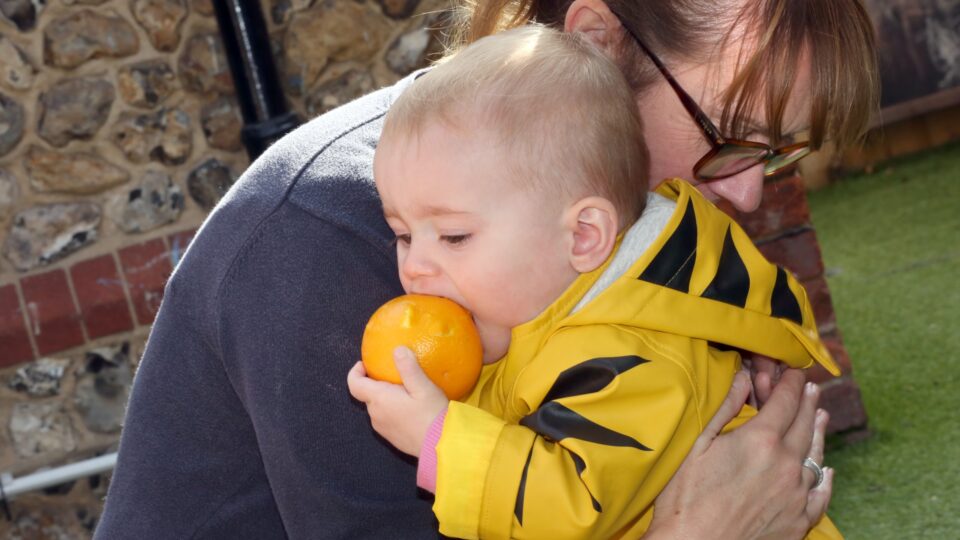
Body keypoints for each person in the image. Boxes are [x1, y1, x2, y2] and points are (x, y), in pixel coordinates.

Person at [94, 0, 877, 538]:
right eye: (729, 134)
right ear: (602, 40)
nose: (745, 191)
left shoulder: (634, 227)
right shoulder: (331, 241)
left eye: (779, 153)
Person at [346, 25, 841, 539]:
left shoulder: (635, 356)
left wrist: (438, 438)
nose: (415, 267)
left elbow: (572, 511)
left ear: (583, 236)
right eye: (403, 235)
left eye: (453, 236)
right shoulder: (534, 321)